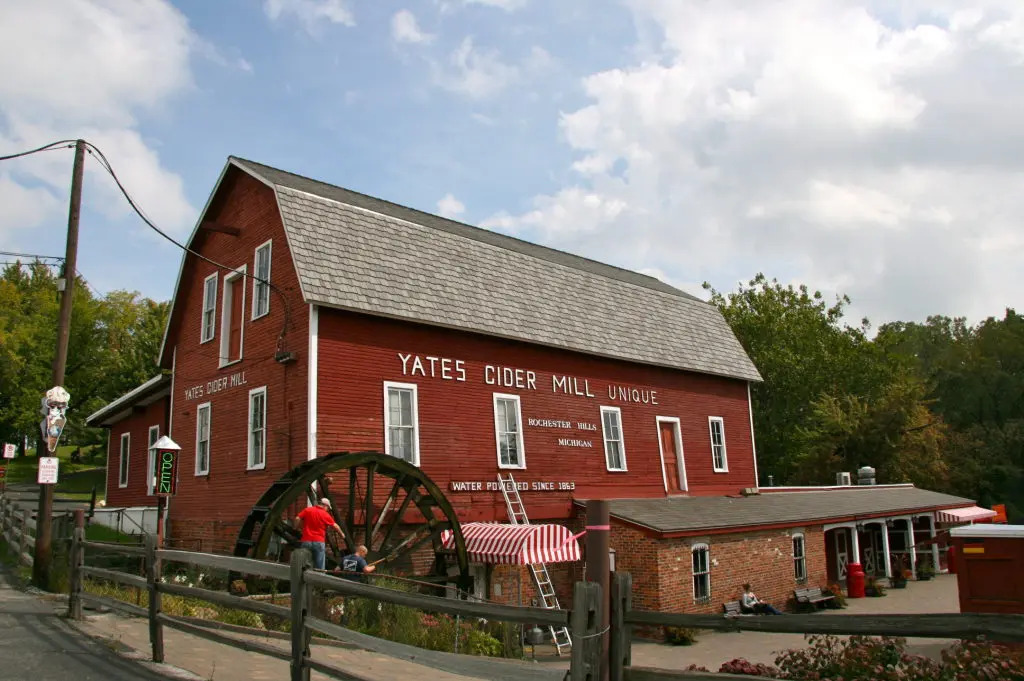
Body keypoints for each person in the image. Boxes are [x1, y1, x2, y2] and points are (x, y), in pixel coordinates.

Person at [294, 498, 344, 570]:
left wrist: (295, 527)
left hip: (306, 540)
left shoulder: (308, 510)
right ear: (325, 506)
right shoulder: (325, 515)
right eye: (328, 508)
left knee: (303, 564)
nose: (328, 510)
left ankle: (303, 578)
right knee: (319, 566)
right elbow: (335, 526)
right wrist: (342, 534)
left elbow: (297, 518)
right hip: (319, 542)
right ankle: (318, 578)